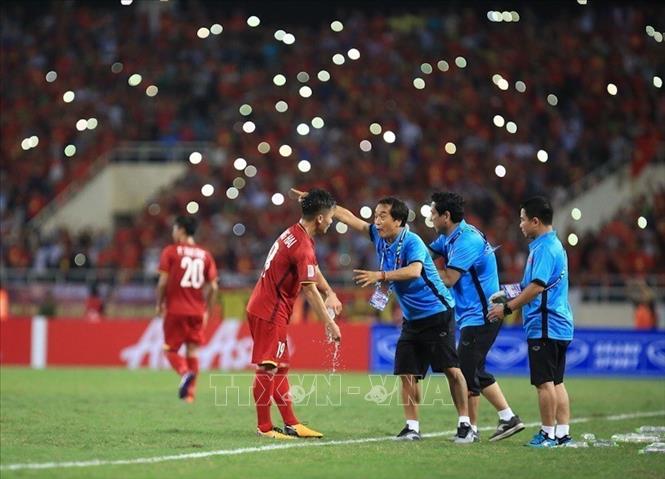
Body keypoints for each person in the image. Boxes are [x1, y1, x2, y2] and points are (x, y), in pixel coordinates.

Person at [292, 189, 474, 444]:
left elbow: (413, 271)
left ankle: (465, 424)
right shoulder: (378, 236)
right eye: (376, 216)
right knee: (406, 372)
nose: (376, 221)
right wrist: (316, 200)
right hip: (412, 318)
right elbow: (345, 215)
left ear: (398, 221)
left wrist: (381, 276)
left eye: (383, 216)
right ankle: (412, 427)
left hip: (438, 312)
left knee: (451, 370)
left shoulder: (413, 242)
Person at [247, 189, 342, 440]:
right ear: (320, 218)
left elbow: (312, 270)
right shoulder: (302, 245)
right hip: (270, 311)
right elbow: (309, 289)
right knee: (268, 368)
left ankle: (291, 423)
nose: (331, 223)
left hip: (267, 306)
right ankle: (264, 427)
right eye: (330, 218)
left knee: (280, 368)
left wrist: (330, 291)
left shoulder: (296, 234)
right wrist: (329, 322)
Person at [428, 192, 524, 442]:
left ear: (446, 216)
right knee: (473, 370)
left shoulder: (467, 240)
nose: (430, 217)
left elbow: (449, 278)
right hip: (472, 316)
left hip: (485, 314)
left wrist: (420, 270)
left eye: (433, 213)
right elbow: (426, 252)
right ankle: (501, 420)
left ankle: (479, 426)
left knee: (464, 371)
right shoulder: (449, 236)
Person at [488, 196, 574, 448]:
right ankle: (562, 435)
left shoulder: (544, 249)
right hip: (559, 323)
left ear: (536, 221)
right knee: (557, 382)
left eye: (523, 219)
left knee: (544, 383)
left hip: (545, 323)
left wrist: (507, 309)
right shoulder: (550, 245)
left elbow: (536, 287)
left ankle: (547, 434)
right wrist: (505, 292)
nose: (521, 224)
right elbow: (529, 285)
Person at [156, 215, 218, 403]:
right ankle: (190, 395)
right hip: (198, 310)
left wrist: (159, 303)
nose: (173, 232)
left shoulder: (170, 252)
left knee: (171, 350)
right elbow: (214, 287)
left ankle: (184, 373)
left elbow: (162, 282)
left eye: (175, 228)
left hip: (175, 309)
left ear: (181, 229)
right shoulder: (205, 254)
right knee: (193, 352)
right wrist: (207, 309)